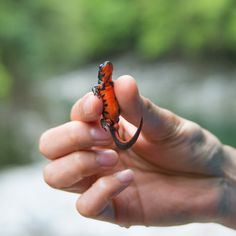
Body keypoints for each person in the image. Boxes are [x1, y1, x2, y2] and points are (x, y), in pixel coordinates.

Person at [39, 75, 236, 229]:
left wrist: (224, 176)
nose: (107, 69)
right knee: (99, 124)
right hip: (110, 120)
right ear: (101, 74)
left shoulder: (112, 85)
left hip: (115, 118)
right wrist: (223, 186)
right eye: (104, 68)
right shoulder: (101, 87)